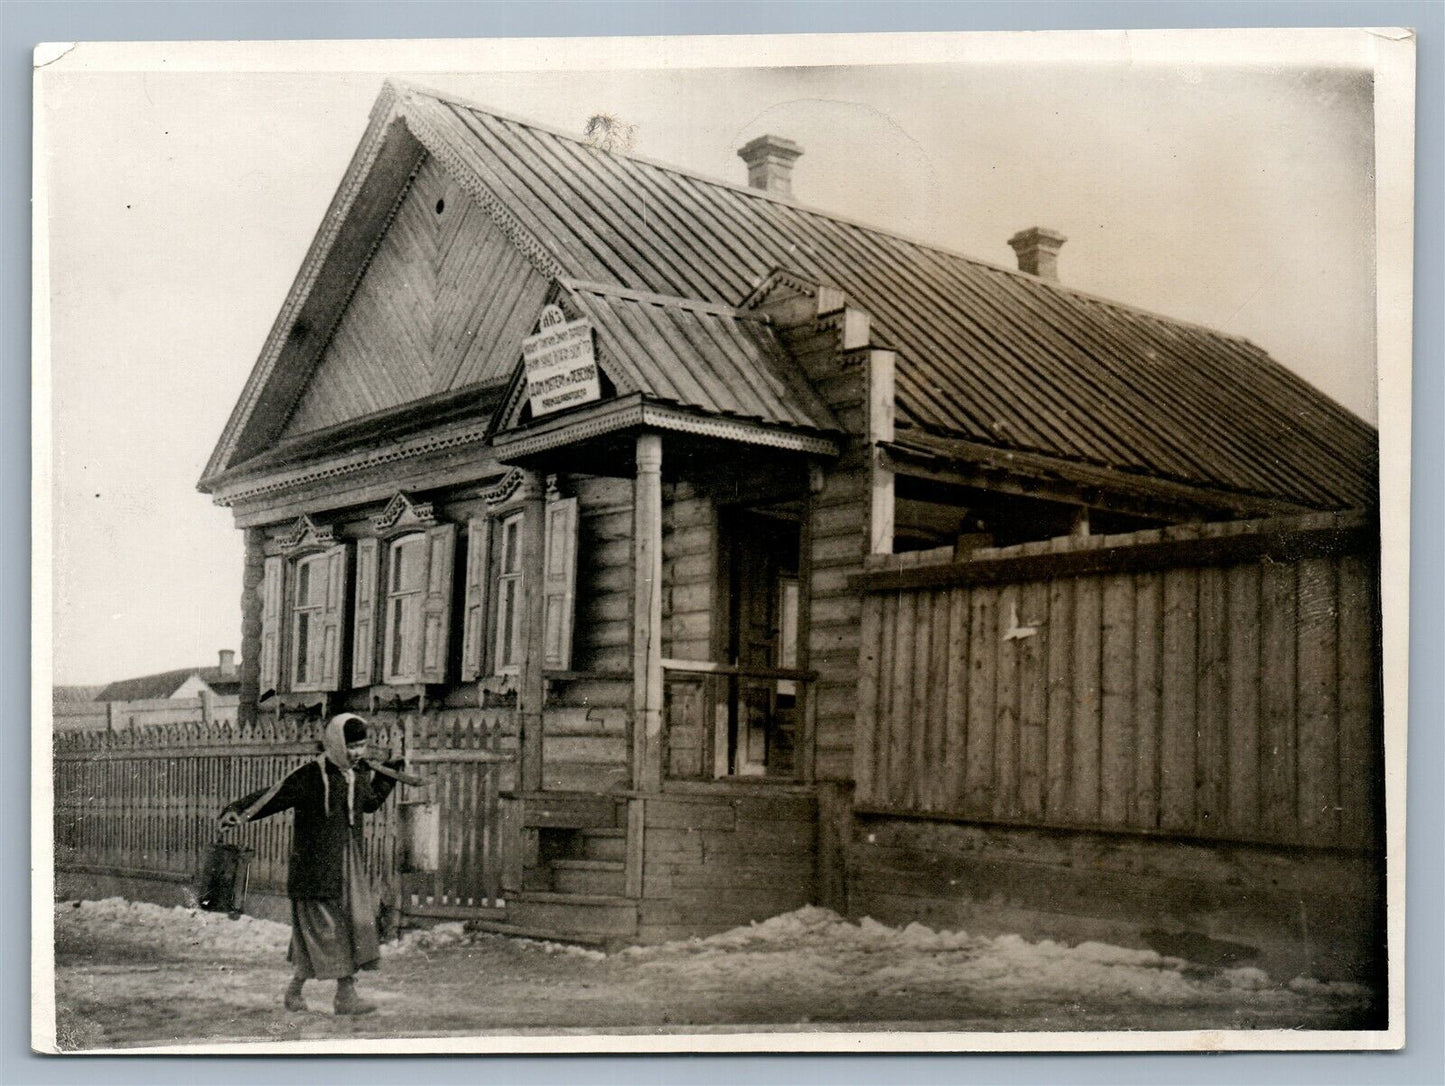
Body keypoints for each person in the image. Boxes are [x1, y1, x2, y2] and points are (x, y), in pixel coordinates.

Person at [219, 713, 403, 1015]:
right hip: (315, 869)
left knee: (346, 929)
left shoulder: (357, 774)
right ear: (336, 742)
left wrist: (389, 774)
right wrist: (237, 811)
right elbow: (273, 796)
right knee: (330, 932)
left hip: (347, 865)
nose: (356, 753)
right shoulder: (311, 775)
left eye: (361, 746)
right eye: (351, 746)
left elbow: (369, 803)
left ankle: (298, 992)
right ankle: (345, 996)